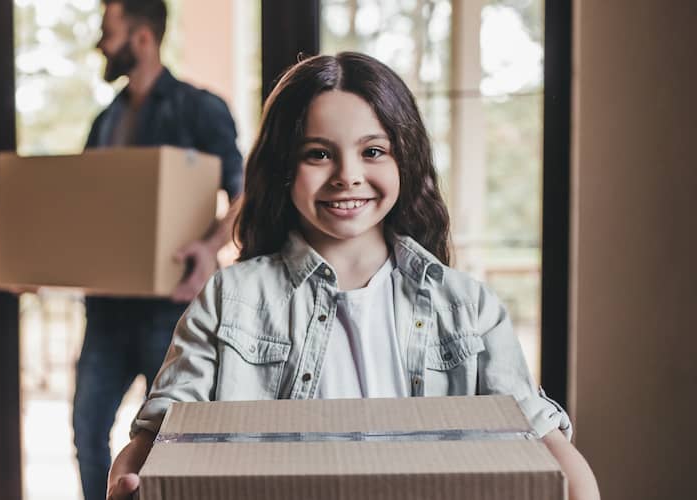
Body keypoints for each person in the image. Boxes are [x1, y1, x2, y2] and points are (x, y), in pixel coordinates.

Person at [104, 52, 601, 500]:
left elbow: (544, 443)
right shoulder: (229, 298)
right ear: (283, 165)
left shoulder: (466, 307)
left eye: (373, 151)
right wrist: (126, 479)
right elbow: (158, 433)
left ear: (404, 158)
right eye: (318, 153)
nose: (347, 175)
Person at [71, 1, 245, 499]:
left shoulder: (200, 108)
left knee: (172, 439)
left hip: (170, 312)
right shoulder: (104, 122)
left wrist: (211, 245)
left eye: (109, 31)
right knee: (87, 432)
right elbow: (82, 205)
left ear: (142, 38)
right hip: (105, 310)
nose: (101, 43)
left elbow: (245, 192)